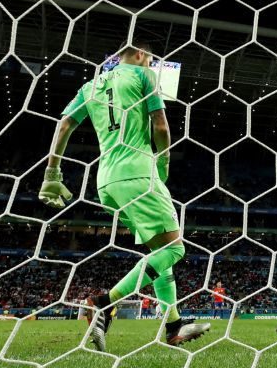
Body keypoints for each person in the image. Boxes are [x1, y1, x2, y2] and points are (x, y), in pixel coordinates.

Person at [40, 43, 209, 351]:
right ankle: (104, 303)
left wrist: (52, 174)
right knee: (174, 249)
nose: (152, 64)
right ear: (142, 55)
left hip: (106, 182)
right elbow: (160, 126)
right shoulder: (144, 76)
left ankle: (174, 327)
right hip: (139, 173)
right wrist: (164, 161)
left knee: (160, 251)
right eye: (152, 59)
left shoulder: (90, 85)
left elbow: (63, 125)